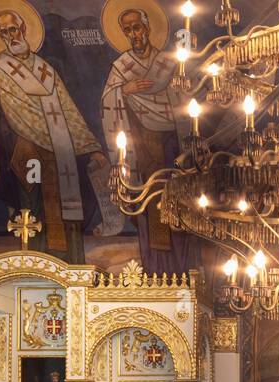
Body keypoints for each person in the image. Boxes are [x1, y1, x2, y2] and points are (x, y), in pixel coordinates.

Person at [0, 8, 115, 261]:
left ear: (24, 29)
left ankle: (70, 265)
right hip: (25, 152)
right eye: (3, 32)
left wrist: (92, 147)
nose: (10, 36)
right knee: (33, 207)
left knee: (65, 208)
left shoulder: (46, 70)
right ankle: (36, 262)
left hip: (59, 153)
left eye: (13, 29)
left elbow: (69, 111)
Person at [101, 7, 200, 275]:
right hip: (143, 148)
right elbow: (108, 101)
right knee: (149, 205)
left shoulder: (169, 63)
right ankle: (155, 272)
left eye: (137, 27)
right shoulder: (121, 67)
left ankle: (181, 272)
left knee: (178, 204)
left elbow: (187, 101)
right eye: (128, 30)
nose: (134, 34)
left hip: (172, 146)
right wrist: (123, 90)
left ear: (148, 27)